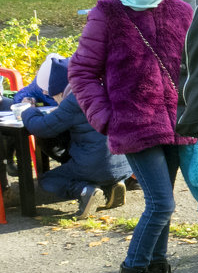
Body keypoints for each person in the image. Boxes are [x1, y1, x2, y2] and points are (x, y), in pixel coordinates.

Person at [68, 0, 198, 273]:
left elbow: (196, 67)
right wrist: (106, 118)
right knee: (161, 204)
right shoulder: (107, 13)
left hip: (178, 122)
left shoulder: (181, 11)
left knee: (161, 208)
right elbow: (82, 71)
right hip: (134, 124)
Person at [19, 54, 131, 218]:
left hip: (94, 165)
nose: (56, 100)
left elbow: (42, 128)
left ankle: (85, 190)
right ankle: (114, 185)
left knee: (48, 180)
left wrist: (28, 110)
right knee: (98, 166)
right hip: (127, 163)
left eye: (54, 96)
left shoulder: (75, 100)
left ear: (62, 89)